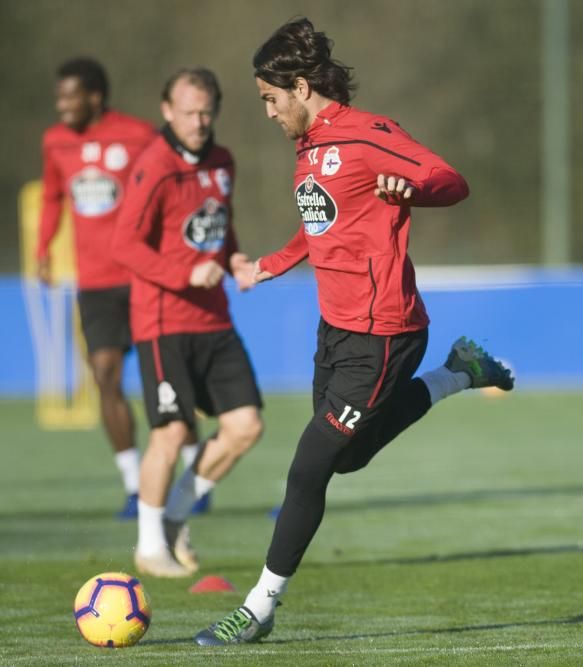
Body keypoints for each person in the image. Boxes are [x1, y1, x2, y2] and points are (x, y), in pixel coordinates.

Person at [195, 19, 514, 645]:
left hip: (384, 333)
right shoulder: (309, 149)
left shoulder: (370, 135)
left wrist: (412, 186)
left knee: (308, 468)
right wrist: (269, 264)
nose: (266, 112)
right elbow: (319, 226)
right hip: (337, 329)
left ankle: (257, 608)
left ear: (301, 86)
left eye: (269, 98)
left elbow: (452, 180)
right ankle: (461, 373)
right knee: (348, 459)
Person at [38, 58, 209, 520]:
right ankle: (135, 486)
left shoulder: (138, 135)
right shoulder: (55, 142)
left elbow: (174, 184)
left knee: (169, 382)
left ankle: (195, 471)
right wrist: (43, 248)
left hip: (143, 278)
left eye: (69, 95)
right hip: (94, 285)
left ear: (94, 97)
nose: (61, 105)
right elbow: (53, 195)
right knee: (105, 375)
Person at [112, 67, 265, 578]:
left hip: (214, 319)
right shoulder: (153, 166)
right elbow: (124, 245)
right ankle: (150, 546)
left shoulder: (223, 162)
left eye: (206, 112)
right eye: (188, 112)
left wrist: (236, 259)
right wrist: (183, 271)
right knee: (173, 432)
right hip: (162, 323)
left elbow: (221, 223)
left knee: (246, 427)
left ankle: (175, 516)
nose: (198, 122)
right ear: (166, 111)